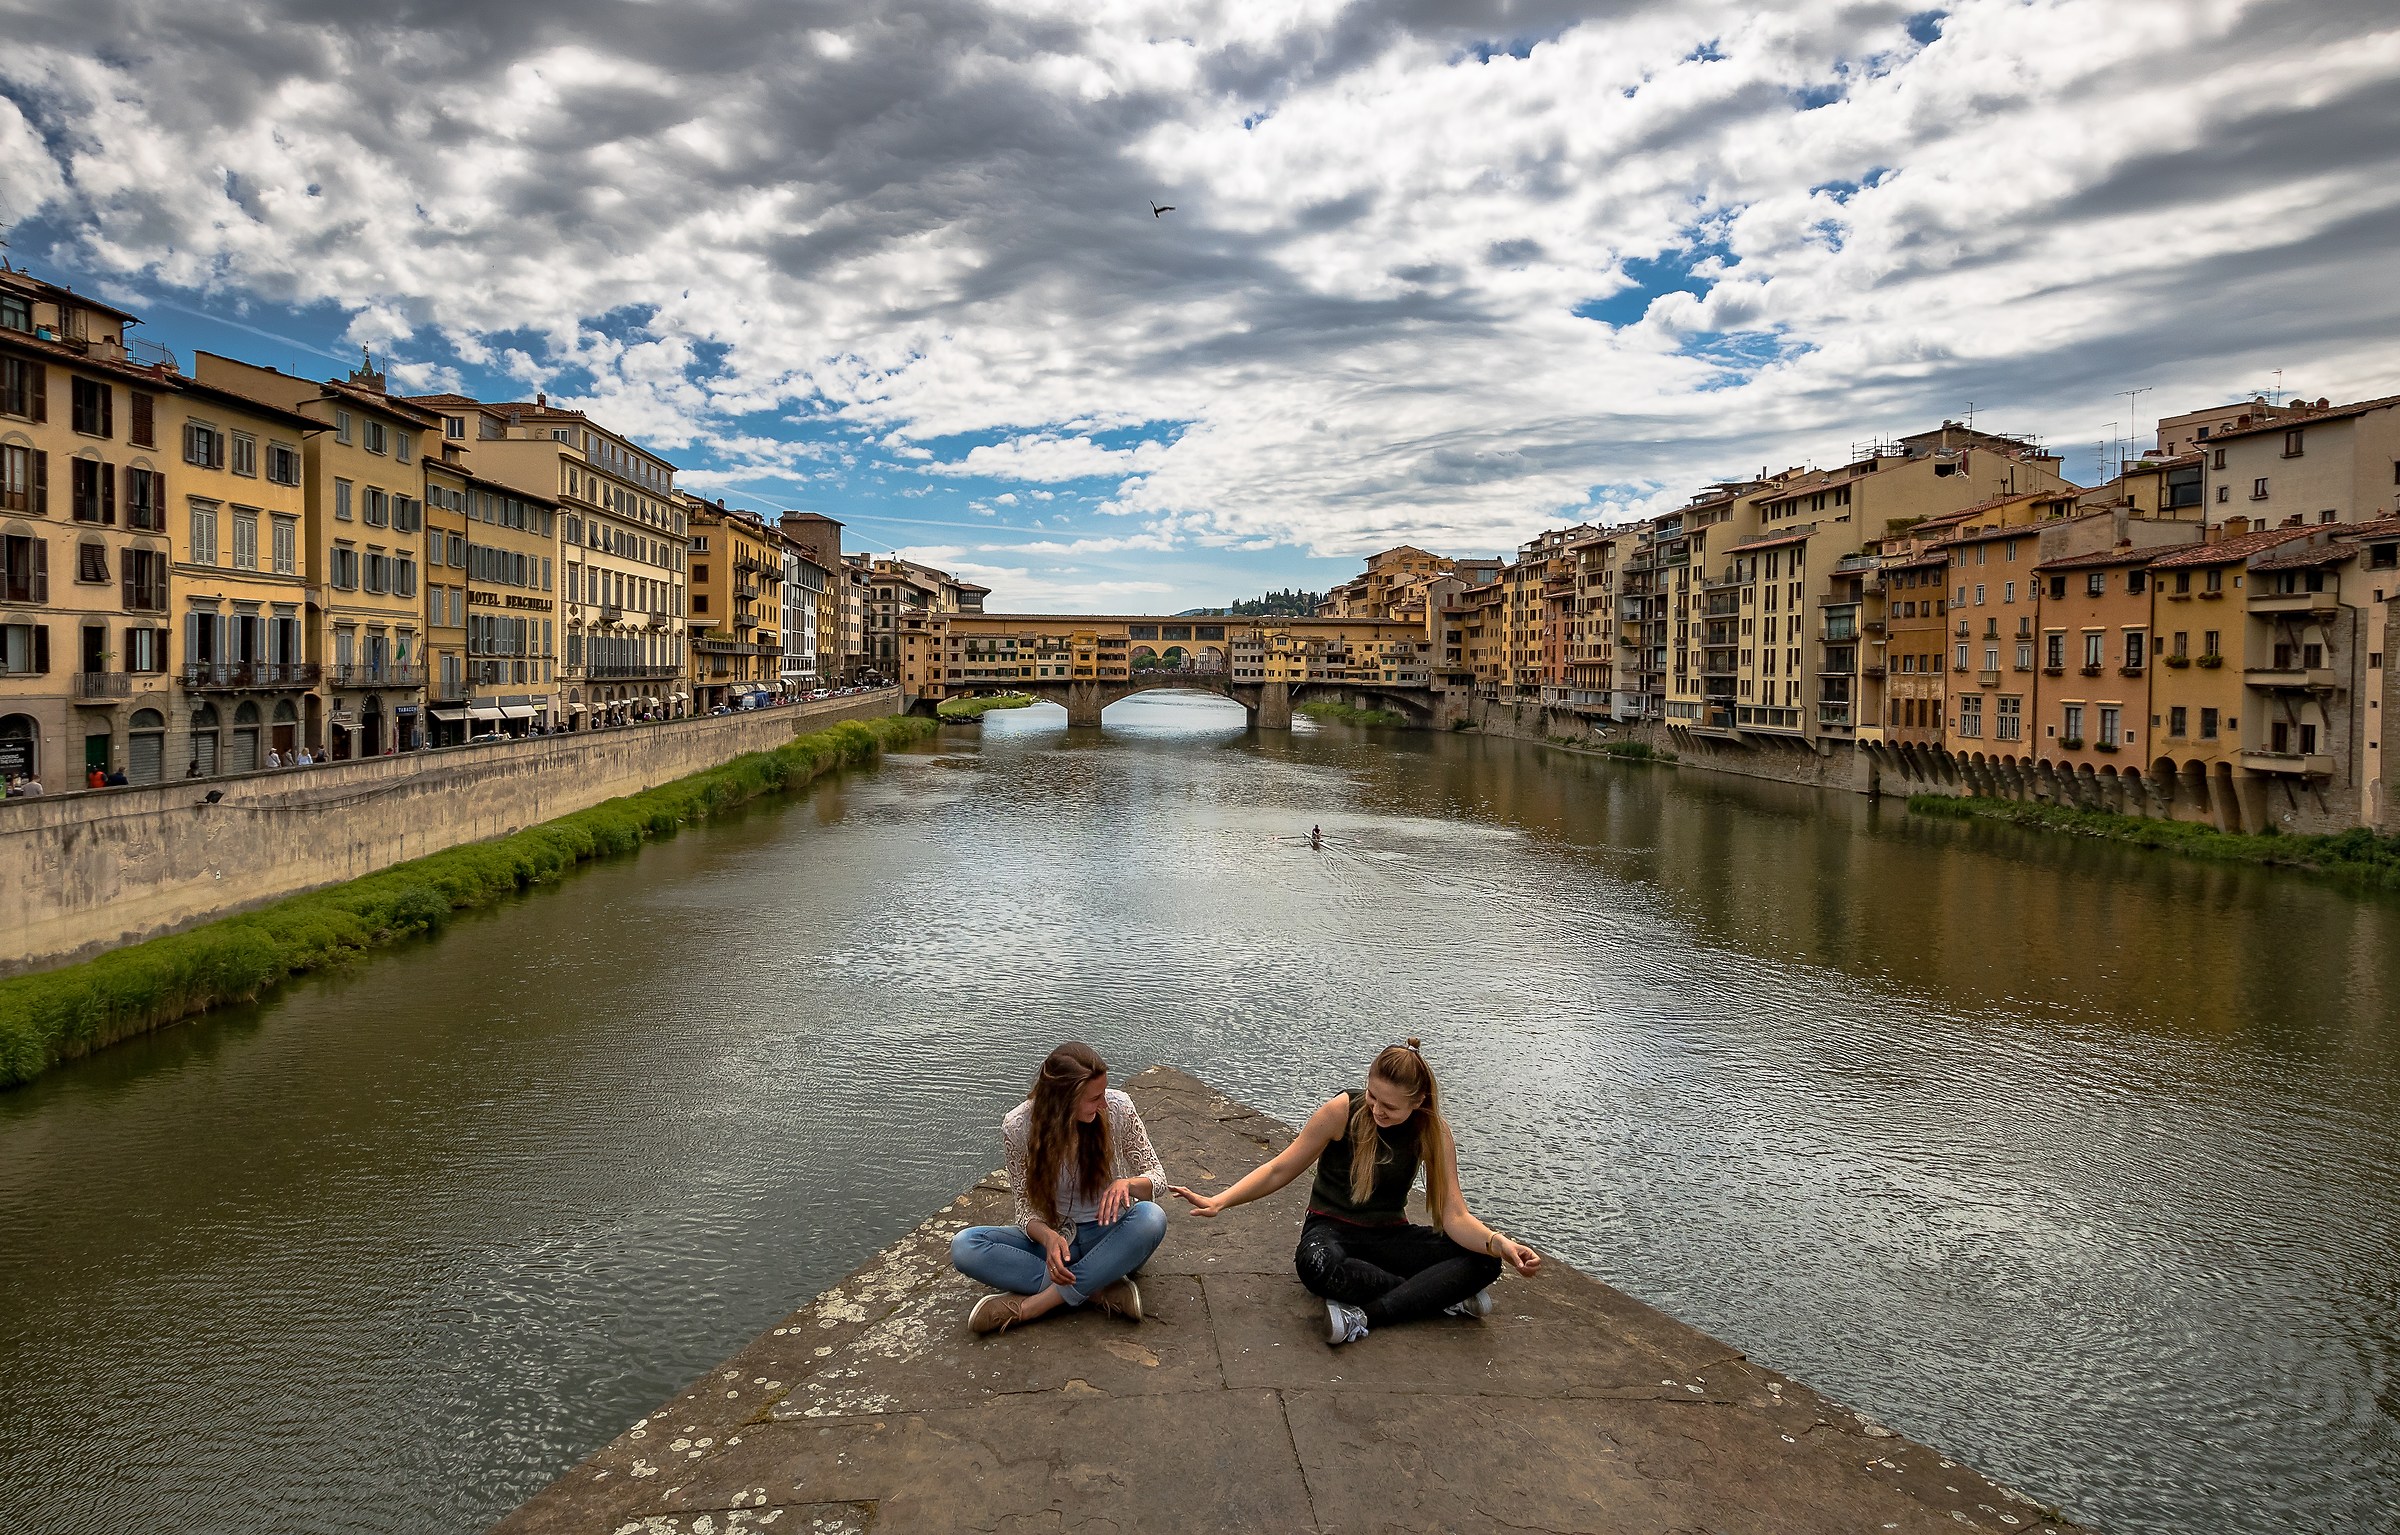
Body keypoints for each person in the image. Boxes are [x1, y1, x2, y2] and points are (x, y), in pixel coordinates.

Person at [1170, 1040, 1538, 1347]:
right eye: (1374, 1096)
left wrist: (1499, 1243)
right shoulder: (1341, 1111)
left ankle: (1363, 1316)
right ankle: (1435, 1294)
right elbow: (1279, 1168)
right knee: (1316, 1265)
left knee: (1485, 1262)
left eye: (1390, 1107)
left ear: (1418, 1101)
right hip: (1330, 1231)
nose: (1377, 1109)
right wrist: (1220, 1200)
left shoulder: (1434, 1133)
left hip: (1389, 1236)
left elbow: (1454, 1216)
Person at [950, 1042, 1169, 1336]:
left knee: (1152, 1218)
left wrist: (1127, 1183)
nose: (1103, 1103)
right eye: (1094, 1098)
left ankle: (1035, 1306)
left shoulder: (1119, 1109)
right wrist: (1049, 1237)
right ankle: (1098, 1288)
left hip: (1111, 1235)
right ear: (1065, 1099)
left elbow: (1158, 1177)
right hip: (1055, 1246)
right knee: (965, 1246)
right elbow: (1024, 1208)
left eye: (1103, 1094)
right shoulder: (1018, 1127)